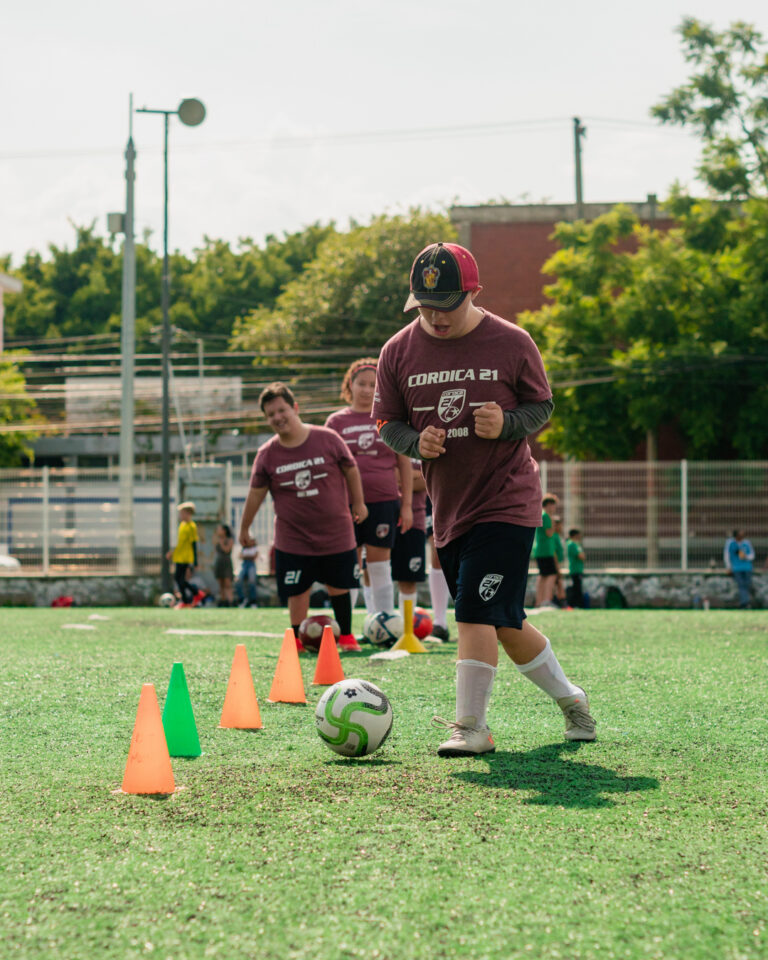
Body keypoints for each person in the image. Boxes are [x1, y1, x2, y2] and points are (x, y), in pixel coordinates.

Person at [373, 241, 596, 756]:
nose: (436, 317)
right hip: (450, 510)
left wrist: (508, 423)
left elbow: (541, 405)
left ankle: (471, 727)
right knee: (504, 623)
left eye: (447, 306)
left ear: (473, 293)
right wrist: (415, 442)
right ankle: (572, 699)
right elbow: (385, 421)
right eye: (425, 306)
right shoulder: (397, 352)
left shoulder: (512, 341)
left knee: (473, 612)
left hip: (507, 501)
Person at [239, 382, 368, 652]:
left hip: (336, 532)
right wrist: (244, 528)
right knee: (297, 591)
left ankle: (346, 636)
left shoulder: (328, 438)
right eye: (271, 414)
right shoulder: (266, 454)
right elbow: (255, 494)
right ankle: (297, 641)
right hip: (293, 538)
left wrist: (358, 502)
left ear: (295, 408)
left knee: (339, 586)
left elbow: (351, 469)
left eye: (281, 410)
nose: (277, 417)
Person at [325, 358, 413, 615]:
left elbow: (404, 464)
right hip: (345, 505)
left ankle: (383, 622)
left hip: (383, 501)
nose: (366, 389)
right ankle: (346, 627)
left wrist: (407, 505)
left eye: (373, 385)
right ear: (349, 385)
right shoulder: (335, 422)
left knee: (379, 566)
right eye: (361, 383)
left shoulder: (389, 419)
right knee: (349, 565)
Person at [391, 458, 427, 622]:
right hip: (381, 513)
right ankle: (376, 623)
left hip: (415, 518)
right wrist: (414, 475)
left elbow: (427, 482)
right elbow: (384, 477)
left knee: (408, 578)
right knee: (373, 571)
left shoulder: (426, 445)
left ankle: (407, 629)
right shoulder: (387, 443)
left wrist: (401, 476)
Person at [425, 496, 452, 642]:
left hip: (470, 494)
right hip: (437, 495)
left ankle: (490, 618)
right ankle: (440, 623)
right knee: (438, 553)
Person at [166, 501, 199, 605]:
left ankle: (190, 597)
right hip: (179, 557)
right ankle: (188, 599)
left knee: (180, 580)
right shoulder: (182, 525)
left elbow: (194, 544)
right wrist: (172, 552)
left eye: (182, 513)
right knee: (178, 579)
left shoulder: (192, 526)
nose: (180, 515)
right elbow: (179, 543)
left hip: (185, 557)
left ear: (188, 513)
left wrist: (195, 561)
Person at [532, 494, 559, 607]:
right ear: (548, 505)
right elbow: (549, 533)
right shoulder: (546, 516)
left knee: (543, 576)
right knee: (551, 575)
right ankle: (547, 600)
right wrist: (553, 521)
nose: (555, 508)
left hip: (541, 551)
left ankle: (539, 601)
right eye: (553, 505)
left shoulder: (542, 515)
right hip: (545, 551)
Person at [723, 529, 755, 609]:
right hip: (736, 568)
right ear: (736, 536)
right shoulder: (730, 543)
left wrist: (746, 557)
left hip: (747, 568)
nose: (742, 536)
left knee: (747, 585)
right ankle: (745, 603)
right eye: (740, 535)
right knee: (741, 585)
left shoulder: (747, 543)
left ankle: (745, 602)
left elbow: (752, 555)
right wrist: (728, 567)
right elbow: (727, 556)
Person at [213, 523, 235, 606]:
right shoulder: (217, 539)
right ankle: (223, 601)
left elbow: (226, 550)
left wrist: (221, 542)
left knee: (227, 583)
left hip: (226, 562)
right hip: (219, 562)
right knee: (221, 584)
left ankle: (230, 601)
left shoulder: (230, 540)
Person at [236, 537, 259, 607]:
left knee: (252, 581)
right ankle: (242, 599)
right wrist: (249, 556)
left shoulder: (255, 548)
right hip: (244, 565)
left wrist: (245, 556)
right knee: (238, 581)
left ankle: (253, 601)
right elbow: (240, 556)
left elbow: (254, 556)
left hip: (251, 565)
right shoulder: (243, 548)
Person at [566, 528, 586, 609]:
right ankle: (576, 605)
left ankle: (575, 604)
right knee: (577, 588)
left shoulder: (574, 544)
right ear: (575, 535)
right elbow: (581, 556)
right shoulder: (572, 544)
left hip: (577, 569)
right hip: (575, 569)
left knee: (577, 587)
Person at [552, 515, 567, 608]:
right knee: (558, 583)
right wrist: (557, 567)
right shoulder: (554, 536)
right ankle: (562, 603)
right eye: (560, 525)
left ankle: (562, 603)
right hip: (554, 563)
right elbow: (554, 552)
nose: (561, 527)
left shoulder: (557, 536)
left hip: (557, 563)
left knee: (558, 583)